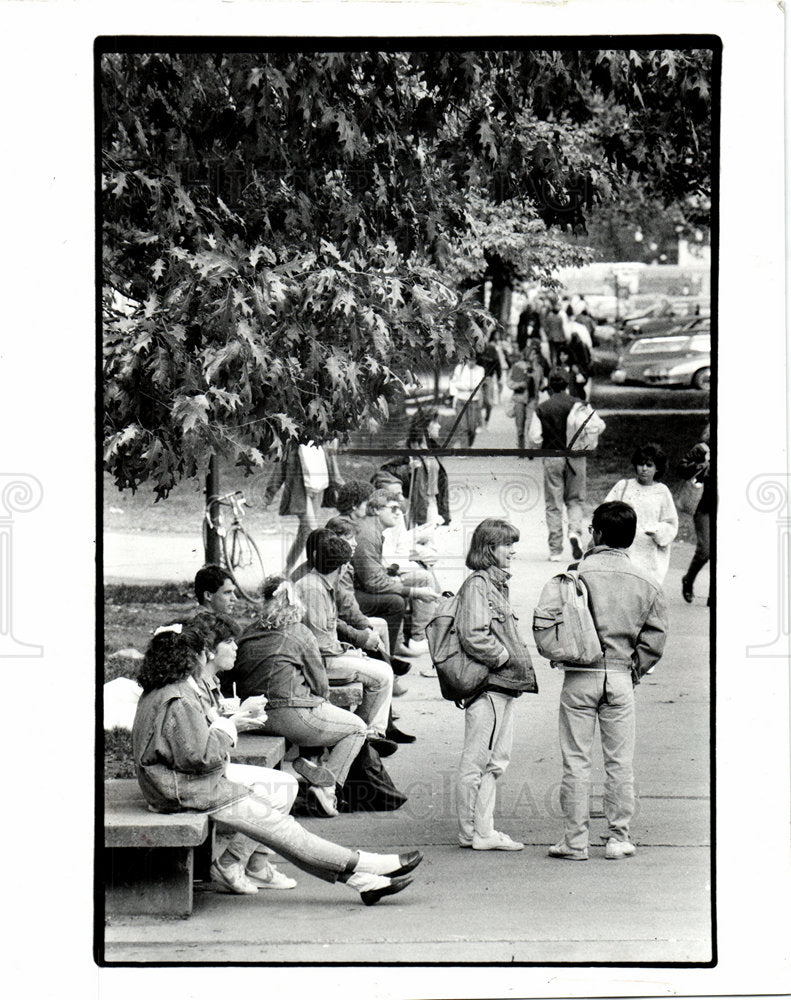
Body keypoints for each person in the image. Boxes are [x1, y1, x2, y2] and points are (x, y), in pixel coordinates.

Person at [131, 620, 421, 903]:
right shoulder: (180, 698)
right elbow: (202, 757)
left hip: (177, 784)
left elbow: (190, 752)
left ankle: (364, 880)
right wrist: (230, 728)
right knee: (283, 829)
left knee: (281, 814)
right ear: (191, 657)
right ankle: (367, 864)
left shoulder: (164, 689)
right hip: (186, 789)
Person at [547, 501, 668, 861]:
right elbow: (655, 638)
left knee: (576, 760)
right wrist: (634, 670)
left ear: (596, 534)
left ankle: (575, 840)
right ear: (630, 539)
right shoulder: (646, 580)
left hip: (579, 676)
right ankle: (618, 836)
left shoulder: (575, 573)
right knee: (619, 762)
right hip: (619, 677)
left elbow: (551, 622)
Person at [226, 576, 369, 817]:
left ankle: (312, 765)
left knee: (317, 719)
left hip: (251, 717)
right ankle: (326, 787)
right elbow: (320, 685)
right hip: (290, 714)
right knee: (356, 728)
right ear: (295, 604)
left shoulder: (247, 632)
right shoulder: (300, 632)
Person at [455, 518, 538, 851]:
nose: (513, 551)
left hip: (499, 686)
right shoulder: (479, 584)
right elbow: (473, 634)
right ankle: (477, 832)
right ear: (489, 549)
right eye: (507, 545)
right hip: (490, 686)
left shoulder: (494, 584)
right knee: (479, 761)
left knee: (494, 759)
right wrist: (503, 659)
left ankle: (478, 830)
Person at [295, 530, 395, 745]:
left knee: (380, 668)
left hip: (325, 656)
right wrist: (348, 649)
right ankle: (364, 731)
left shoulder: (319, 583)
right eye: (347, 565)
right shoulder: (313, 590)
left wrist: (349, 648)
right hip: (318, 664)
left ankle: (368, 731)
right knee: (383, 675)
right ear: (340, 567)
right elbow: (319, 644)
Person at [352, 488, 440, 657]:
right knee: (395, 600)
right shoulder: (368, 534)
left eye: (400, 509)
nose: (398, 513)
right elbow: (372, 582)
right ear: (376, 510)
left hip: (360, 585)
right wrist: (413, 591)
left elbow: (372, 574)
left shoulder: (374, 531)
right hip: (354, 592)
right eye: (393, 508)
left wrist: (392, 574)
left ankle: (404, 642)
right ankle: (392, 653)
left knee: (418, 579)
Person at [527, 367, 588, 562]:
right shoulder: (578, 405)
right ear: (567, 384)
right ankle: (575, 532)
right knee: (575, 500)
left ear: (550, 387)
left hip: (553, 457)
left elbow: (535, 438)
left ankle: (555, 550)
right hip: (576, 457)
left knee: (553, 504)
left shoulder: (542, 408)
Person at [261, 440, 344, 576]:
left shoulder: (323, 442)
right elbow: (279, 471)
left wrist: (344, 490)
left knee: (304, 534)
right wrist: (269, 495)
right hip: (301, 493)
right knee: (311, 530)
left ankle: (287, 569)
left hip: (319, 490)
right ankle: (314, 569)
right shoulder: (292, 445)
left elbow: (333, 470)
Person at [604, 443, 678, 585]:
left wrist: (658, 531)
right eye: (640, 464)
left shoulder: (662, 491)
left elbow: (671, 523)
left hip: (649, 554)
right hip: (624, 550)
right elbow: (605, 511)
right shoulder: (623, 486)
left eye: (649, 465)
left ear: (657, 468)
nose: (644, 469)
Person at [678, 423, 711, 605]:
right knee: (705, 550)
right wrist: (700, 464)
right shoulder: (702, 449)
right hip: (703, 506)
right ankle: (688, 579)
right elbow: (681, 469)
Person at [448, 354, 486, 447]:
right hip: (461, 400)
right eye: (469, 360)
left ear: (476, 361)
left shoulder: (480, 370)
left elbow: (478, 384)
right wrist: (468, 387)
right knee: (463, 426)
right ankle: (464, 448)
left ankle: (468, 444)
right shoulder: (459, 368)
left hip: (474, 401)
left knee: (472, 427)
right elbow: (455, 383)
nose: (471, 362)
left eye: (473, 360)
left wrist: (466, 386)